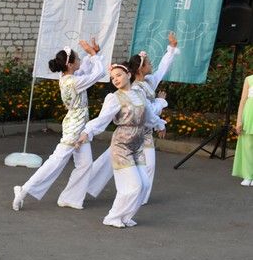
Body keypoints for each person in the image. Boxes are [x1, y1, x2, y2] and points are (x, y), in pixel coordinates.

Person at [12, 38, 104, 212]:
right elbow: (97, 74)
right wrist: (93, 55)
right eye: (77, 58)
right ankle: (23, 190)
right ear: (70, 65)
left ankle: (70, 198)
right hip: (74, 126)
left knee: (85, 164)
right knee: (56, 161)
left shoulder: (71, 77)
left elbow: (86, 69)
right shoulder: (73, 81)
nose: (79, 60)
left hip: (79, 125)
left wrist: (94, 54)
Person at [86, 32, 179, 203]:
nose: (152, 65)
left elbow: (162, 70)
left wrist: (172, 49)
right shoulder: (136, 89)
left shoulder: (149, 81)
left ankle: (139, 197)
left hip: (145, 131)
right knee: (128, 163)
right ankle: (91, 184)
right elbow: (149, 109)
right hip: (136, 132)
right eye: (149, 63)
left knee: (138, 165)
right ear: (141, 68)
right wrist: (161, 101)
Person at [75, 62, 165, 228]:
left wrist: (160, 124)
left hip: (137, 145)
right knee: (132, 185)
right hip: (121, 145)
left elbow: (150, 115)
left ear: (129, 75)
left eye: (118, 75)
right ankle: (112, 217)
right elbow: (102, 119)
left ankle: (125, 216)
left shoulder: (139, 94)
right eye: (112, 77)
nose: (115, 79)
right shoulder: (114, 98)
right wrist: (86, 132)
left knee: (144, 184)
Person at [233, 73, 253, 186]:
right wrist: (239, 120)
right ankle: (248, 175)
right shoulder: (249, 79)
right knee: (247, 146)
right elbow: (242, 101)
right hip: (249, 117)